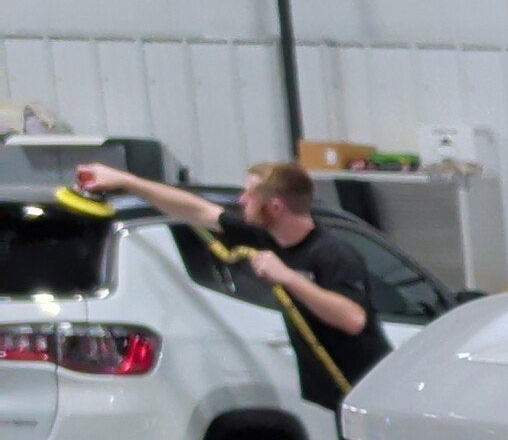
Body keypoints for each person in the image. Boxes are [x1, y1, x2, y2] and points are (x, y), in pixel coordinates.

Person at [71, 157, 386, 410]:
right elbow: (196, 209)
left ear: (275, 206)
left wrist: (289, 277)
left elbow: (353, 319)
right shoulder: (265, 236)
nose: (241, 200)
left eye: (249, 194)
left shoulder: (333, 254)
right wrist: (126, 181)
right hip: (337, 398)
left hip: (368, 392)